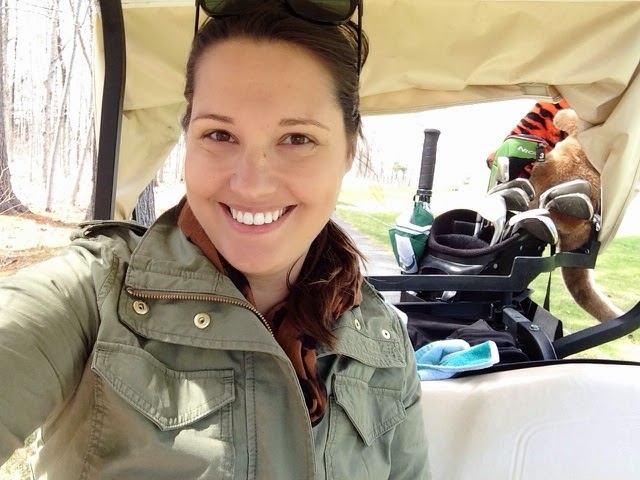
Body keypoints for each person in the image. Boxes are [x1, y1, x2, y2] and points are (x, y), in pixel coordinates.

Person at [0, 0, 429, 477]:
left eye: (297, 139)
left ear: (348, 149)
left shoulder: (385, 344)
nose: (251, 184)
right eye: (220, 134)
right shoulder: (94, 296)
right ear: (188, 138)